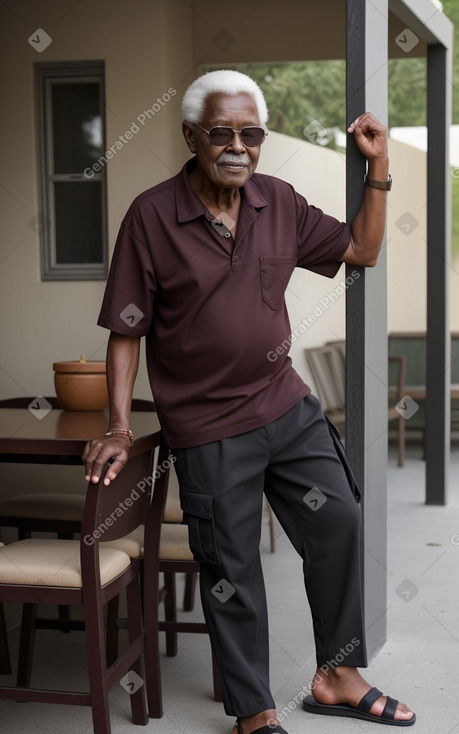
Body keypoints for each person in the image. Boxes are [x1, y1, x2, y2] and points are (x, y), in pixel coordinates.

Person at [83, 70, 415, 733]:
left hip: (284, 407)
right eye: (221, 133)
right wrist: (119, 427)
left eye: (250, 133)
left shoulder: (276, 202)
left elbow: (362, 249)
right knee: (231, 567)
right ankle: (254, 712)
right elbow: (126, 330)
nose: (237, 146)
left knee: (339, 521)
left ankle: (336, 674)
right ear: (191, 137)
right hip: (206, 427)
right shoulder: (152, 216)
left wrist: (378, 169)